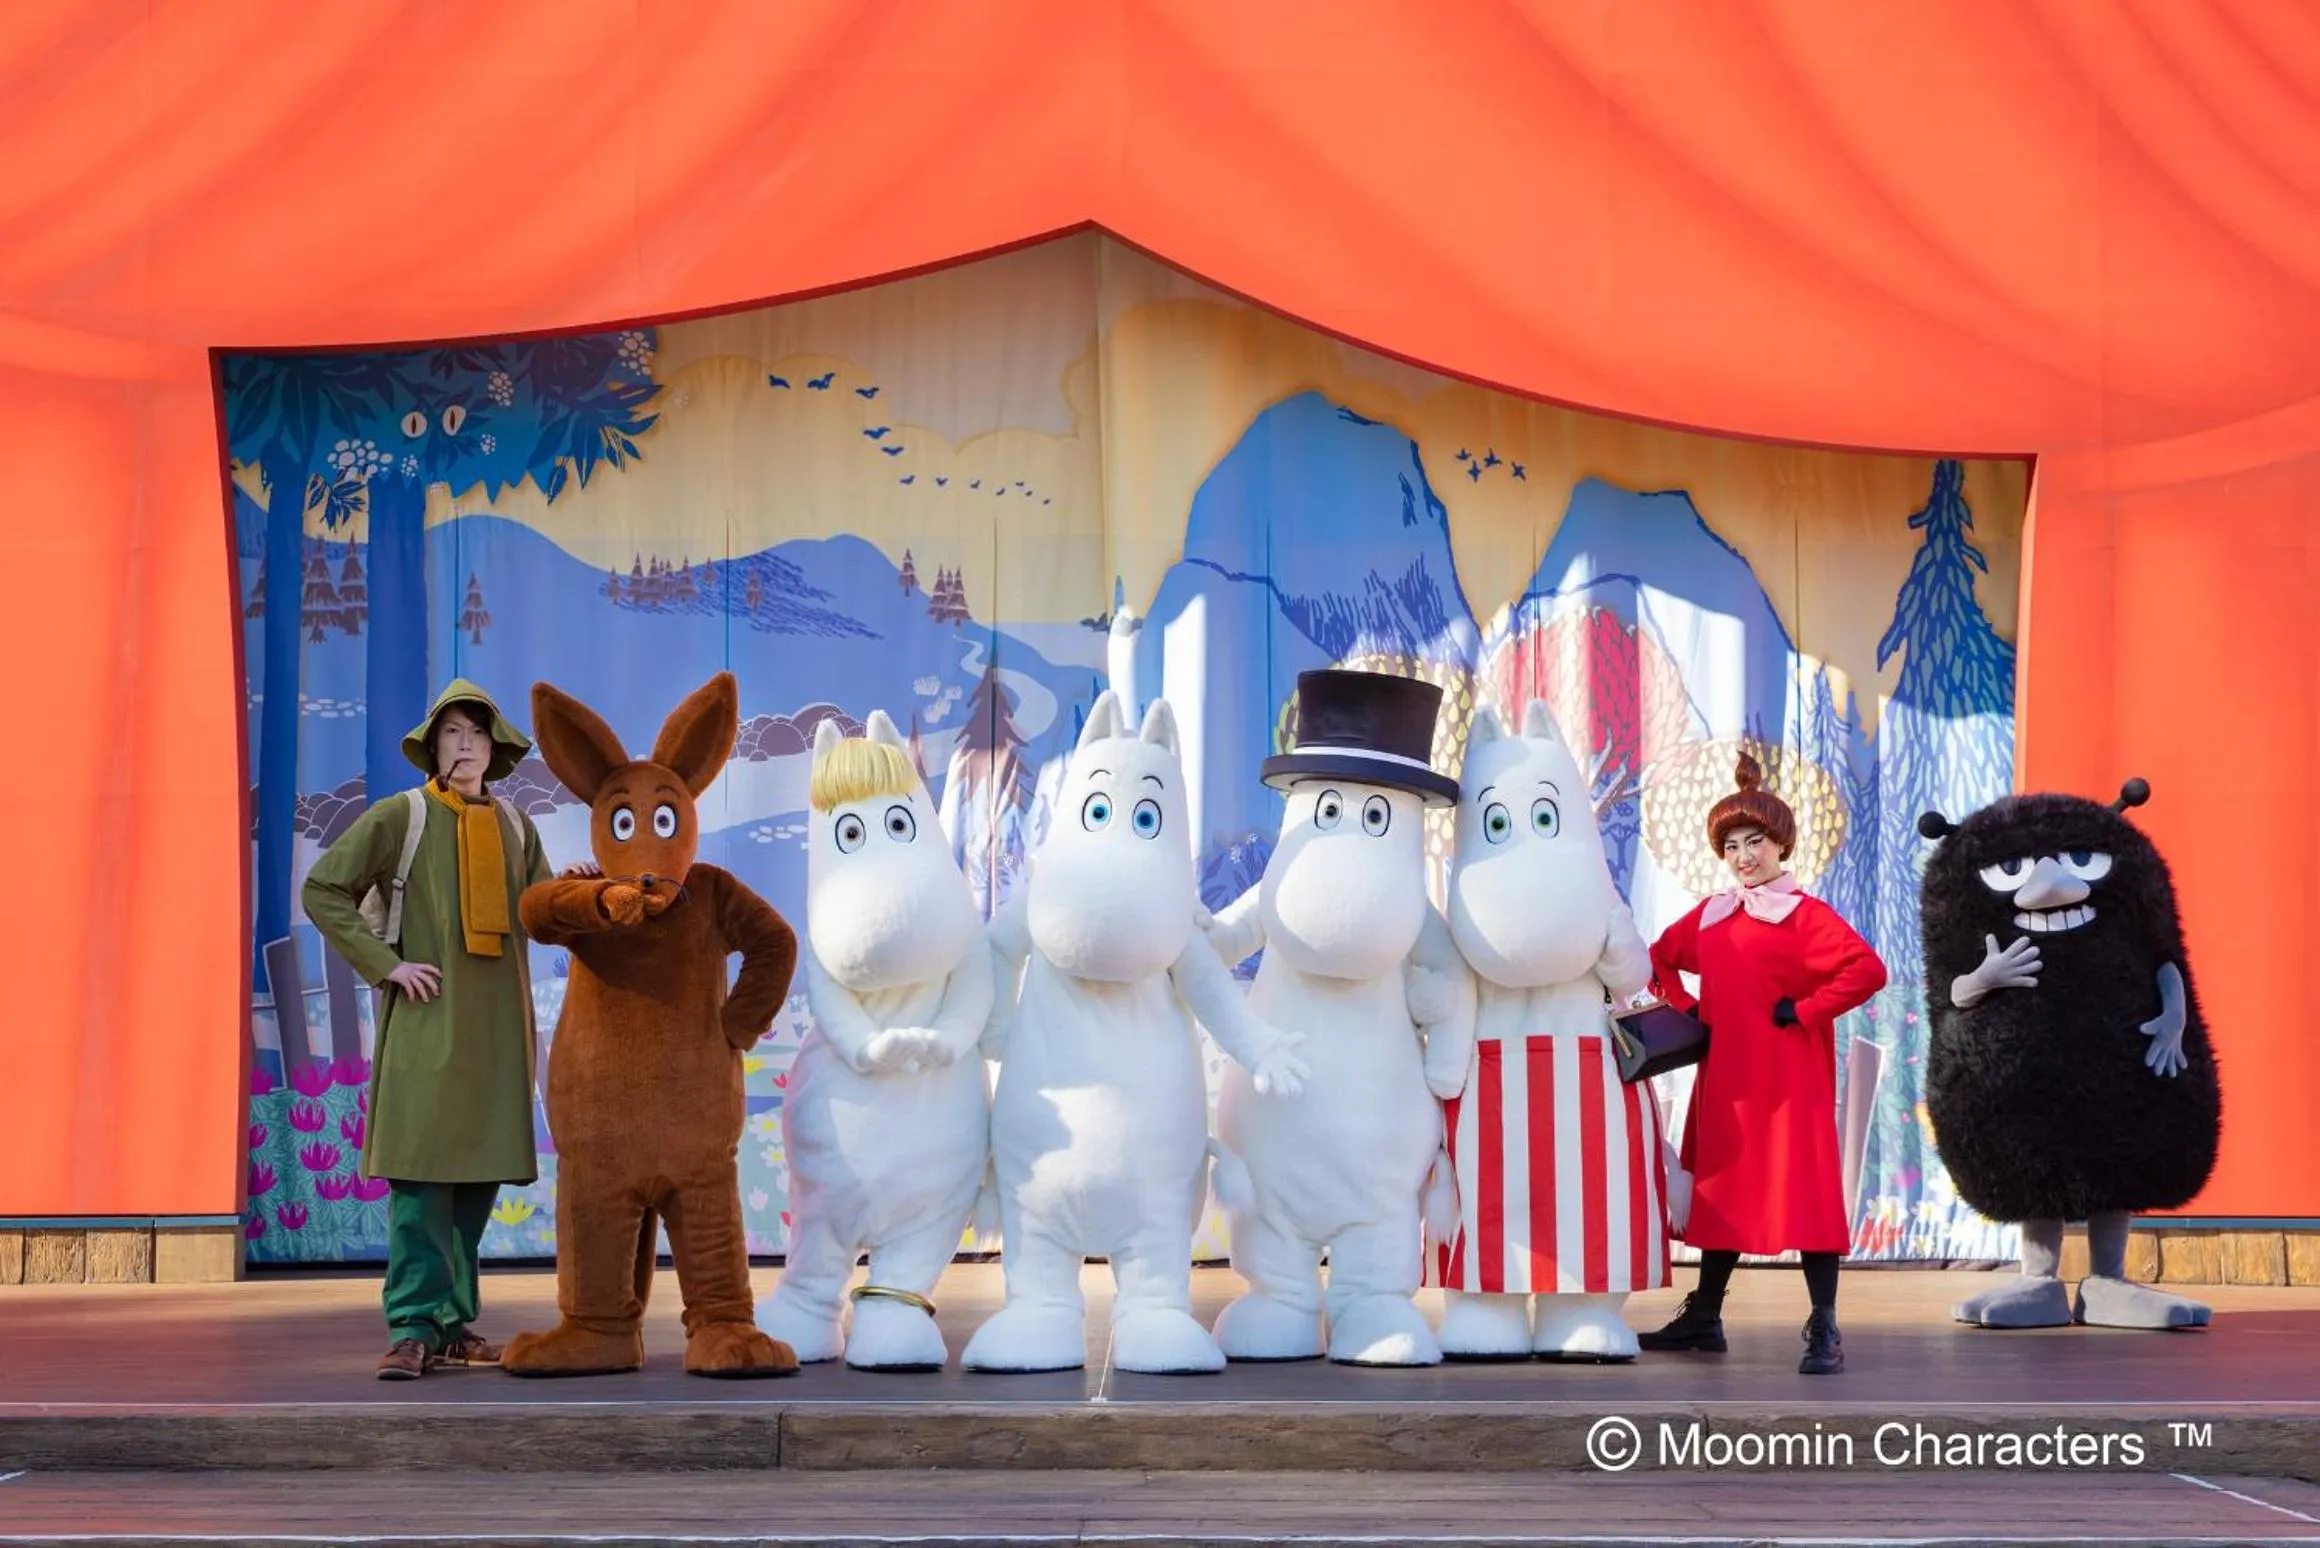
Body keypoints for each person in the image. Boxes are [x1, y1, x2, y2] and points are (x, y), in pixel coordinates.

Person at [302, 680, 555, 1380]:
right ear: (433, 746)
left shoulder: (516, 827)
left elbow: (543, 909)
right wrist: (387, 965)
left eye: (477, 732)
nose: (465, 744)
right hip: (426, 1024)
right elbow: (323, 888)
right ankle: (411, 1326)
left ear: (495, 748)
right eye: (452, 732)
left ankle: (448, 1326)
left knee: (475, 1188)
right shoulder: (402, 816)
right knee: (420, 1187)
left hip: (497, 1033)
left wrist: (583, 892)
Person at [1638, 752, 1885, 1375]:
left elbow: (1867, 970)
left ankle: (1824, 1324)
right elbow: (1658, 958)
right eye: (1732, 846)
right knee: (1722, 1195)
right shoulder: (1712, 916)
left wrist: (1805, 1010)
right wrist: (1689, 1010)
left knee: (1807, 1199)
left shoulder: (1805, 916)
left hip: (1789, 1085)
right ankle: (1705, 1316)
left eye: (1755, 842)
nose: (1744, 856)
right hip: (1727, 1082)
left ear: (1781, 845)